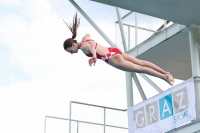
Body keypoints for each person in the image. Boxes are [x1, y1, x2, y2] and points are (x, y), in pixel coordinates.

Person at [63, 13, 174, 86]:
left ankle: (164, 77)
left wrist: (94, 56)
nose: (71, 53)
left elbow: (91, 48)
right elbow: (89, 35)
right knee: (140, 62)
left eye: (70, 51)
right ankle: (165, 72)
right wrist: (87, 43)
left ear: (73, 45)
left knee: (140, 68)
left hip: (111, 58)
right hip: (114, 51)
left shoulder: (83, 47)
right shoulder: (84, 40)